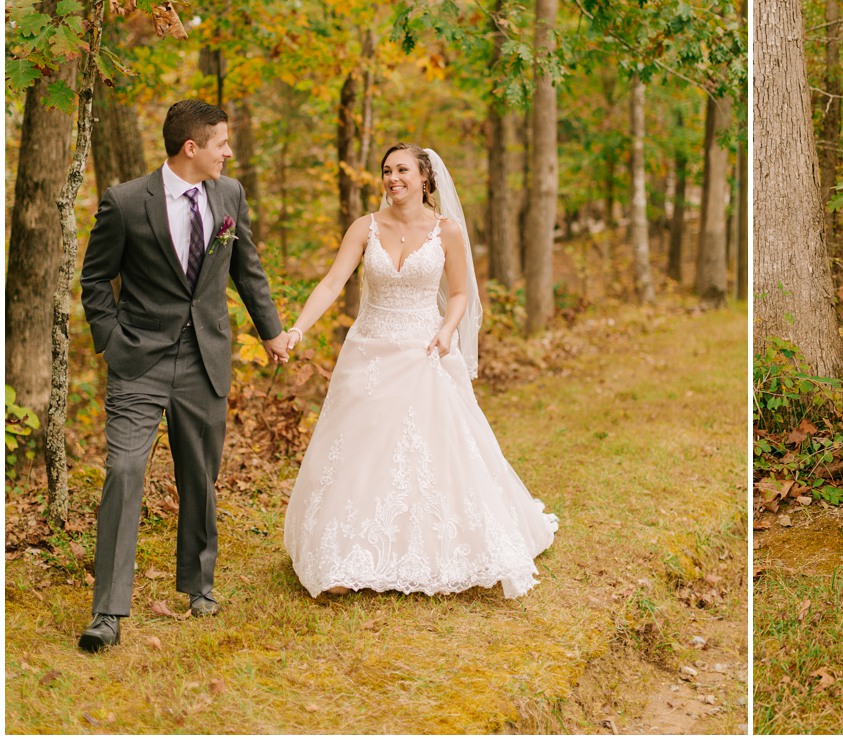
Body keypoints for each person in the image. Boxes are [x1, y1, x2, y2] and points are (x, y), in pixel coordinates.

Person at [281, 143, 556, 598]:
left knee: (428, 453)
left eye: (403, 170)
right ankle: (343, 559)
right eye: (387, 171)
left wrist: (449, 330)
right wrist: (297, 328)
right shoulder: (364, 227)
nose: (393, 178)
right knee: (359, 453)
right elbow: (332, 282)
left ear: (425, 177)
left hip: (425, 348)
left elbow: (460, 295)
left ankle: (428, 545)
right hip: (368, 351)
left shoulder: (447, 231)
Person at [78, 100, 290, 652]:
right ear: (191, 147)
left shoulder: (229, 195)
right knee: (124, 470)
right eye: (221, 142)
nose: (229, 151)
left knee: (199, 473)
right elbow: (96, 278)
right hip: (139, 360)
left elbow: (248, 268)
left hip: (205, 357)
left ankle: (198, 586)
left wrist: (270, 332)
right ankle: (108, 611)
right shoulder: (125, 202)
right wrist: (112, 340)